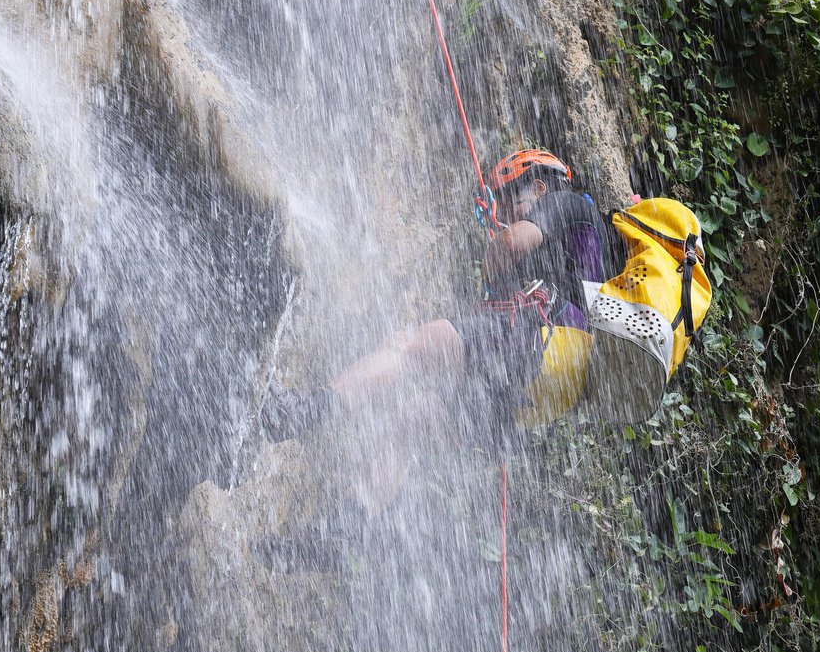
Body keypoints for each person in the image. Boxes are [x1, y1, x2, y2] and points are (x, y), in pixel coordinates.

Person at [259, 148, 619, 449]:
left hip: (543, 341)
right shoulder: (586, 250)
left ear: (538, 186)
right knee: (409, 431)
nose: (505, 218)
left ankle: (301, 413)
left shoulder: (565, 203)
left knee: (408, 347)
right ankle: (335, 532)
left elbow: (509, 245)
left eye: (508, 200)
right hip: (550, 397)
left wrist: (495, 277)